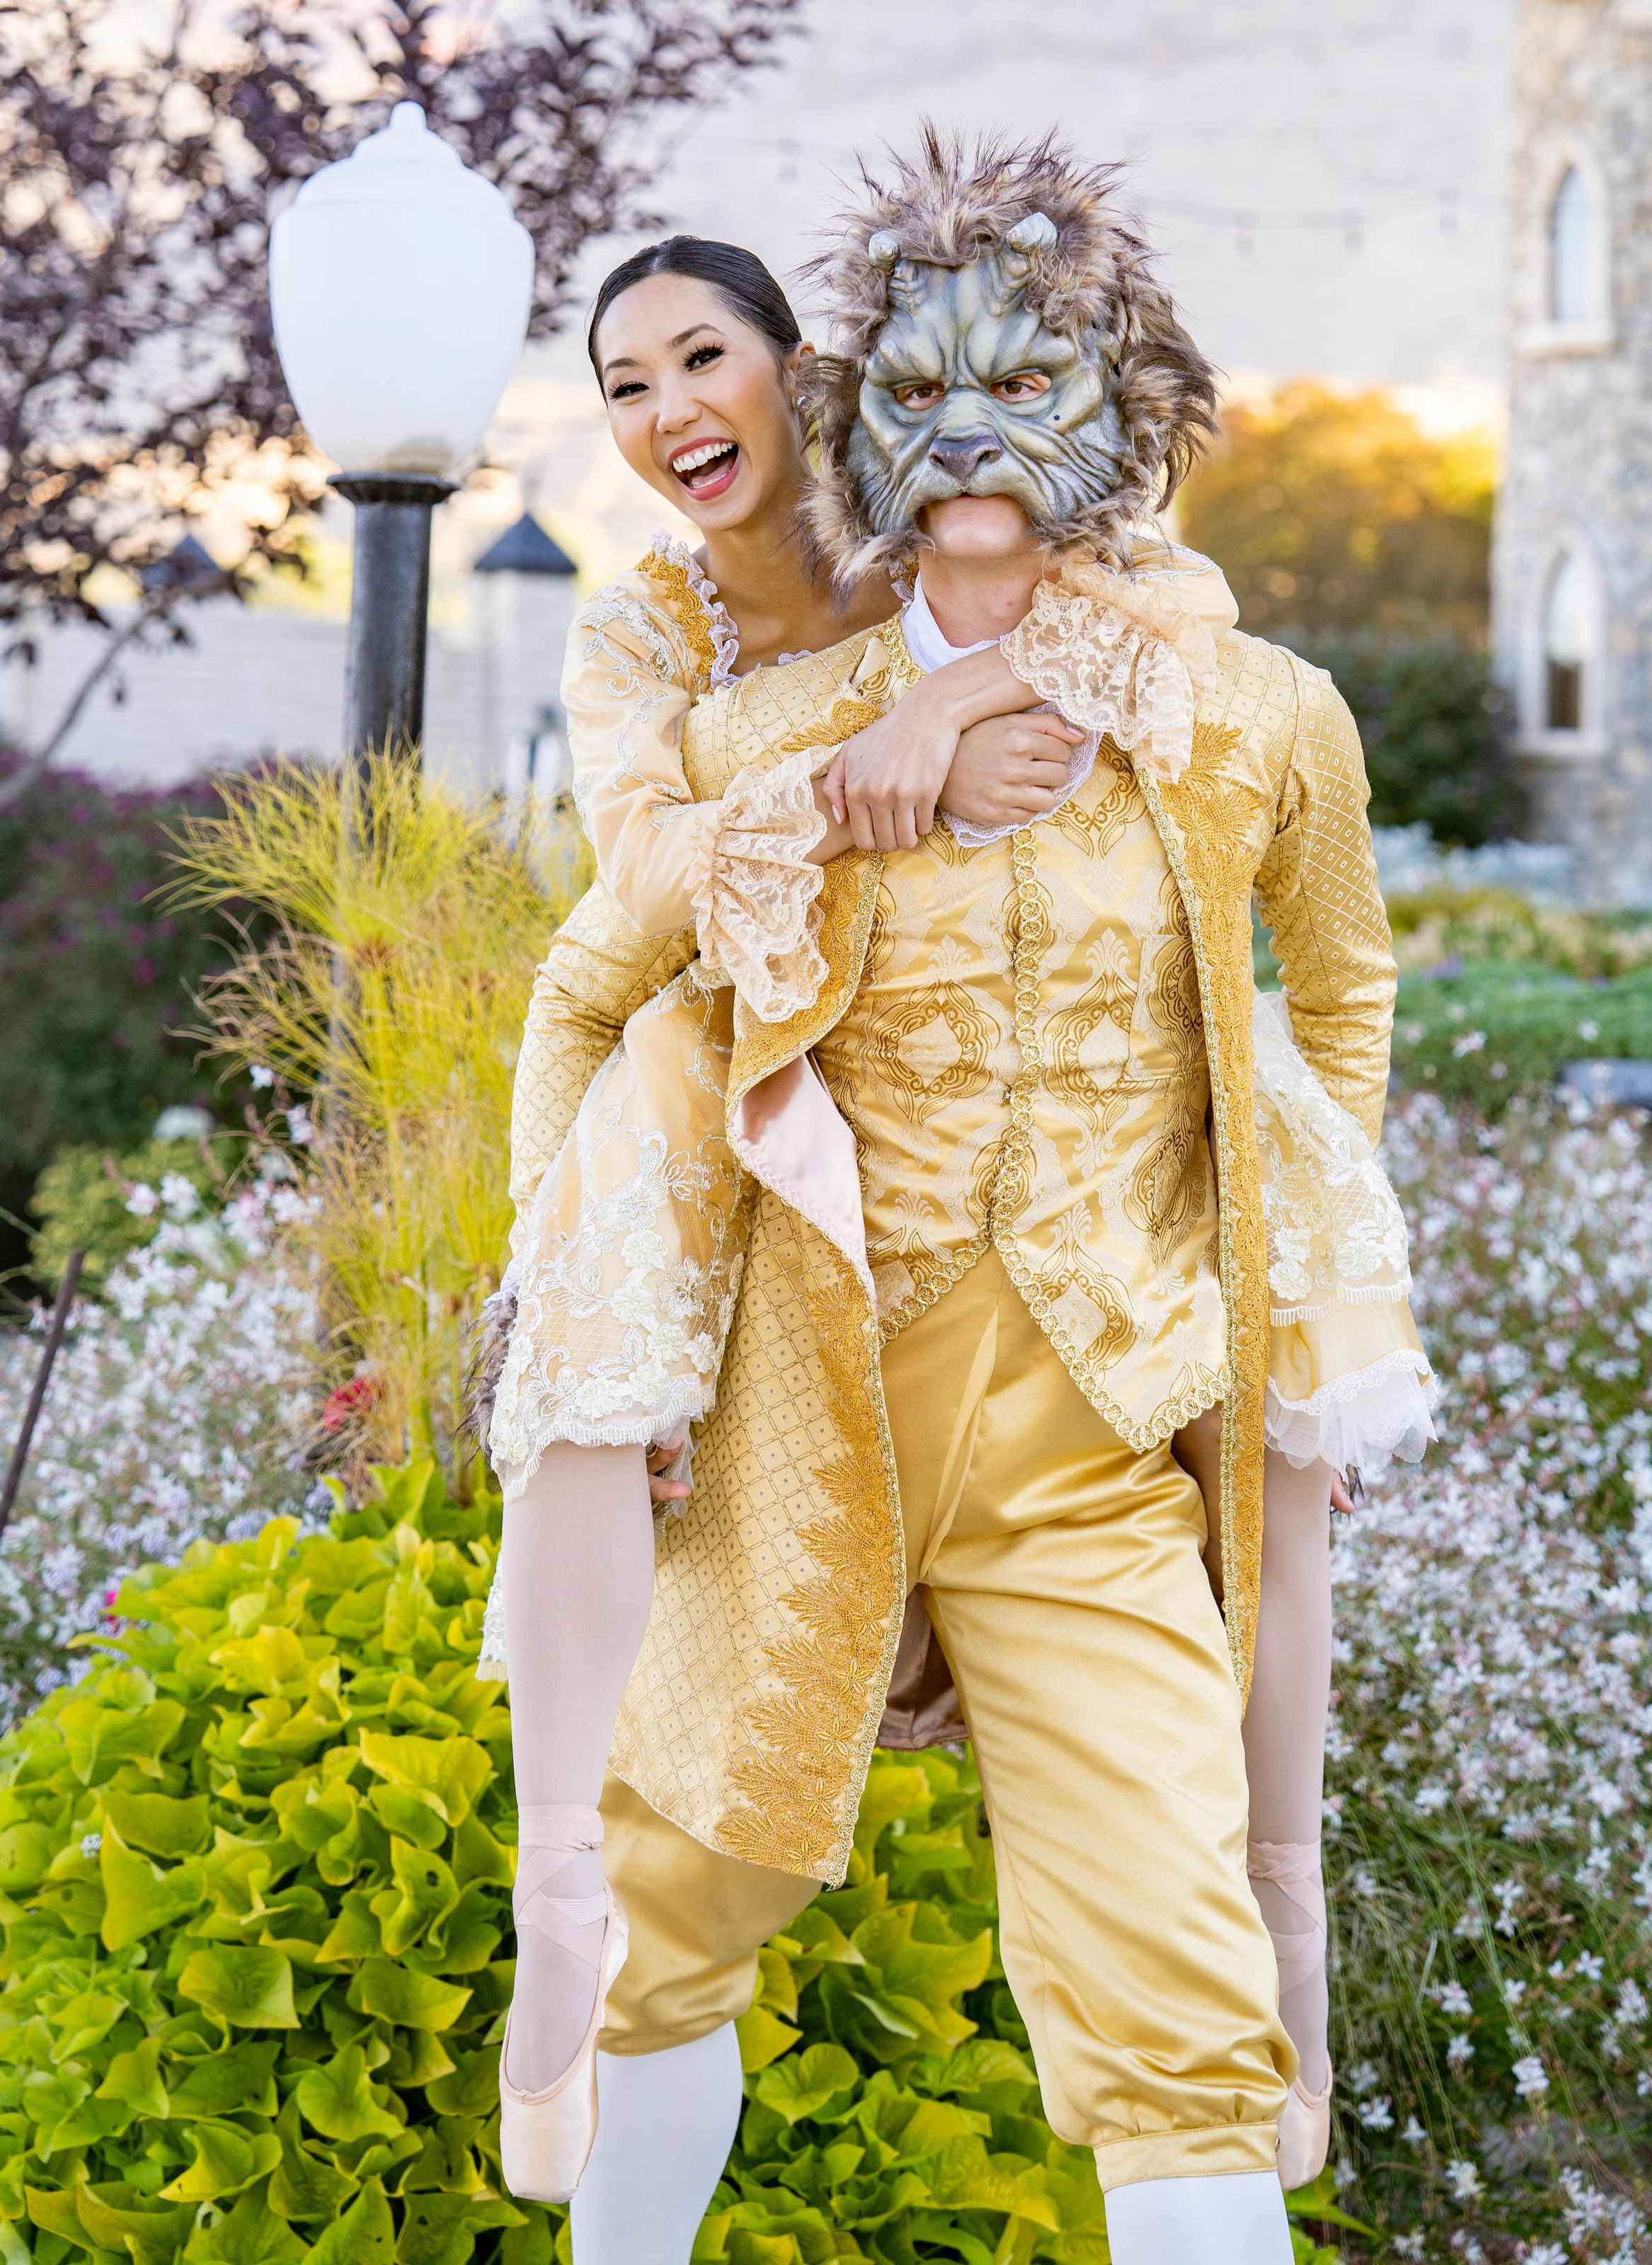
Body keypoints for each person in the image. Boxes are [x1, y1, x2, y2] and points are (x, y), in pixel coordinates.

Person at [491, 138, 1438, 2261]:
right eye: (934, 389)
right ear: (865, 412)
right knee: (671, 1900)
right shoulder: (780, 726)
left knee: (1176, 1969)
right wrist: (576, 1314)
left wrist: (1295, 1300)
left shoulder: (1255, 716)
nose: (985, 435)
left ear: (1130, 404)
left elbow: (1343, 988)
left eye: (1046, 378)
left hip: (1095, 1423)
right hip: (793, 1410)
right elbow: (592, 983)